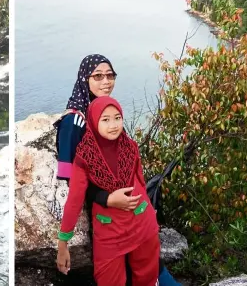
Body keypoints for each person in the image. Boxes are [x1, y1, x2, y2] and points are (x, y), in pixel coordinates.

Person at [54, 54, 180, 285]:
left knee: (150, 271)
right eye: (98, 76)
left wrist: (146, 210)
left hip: (135, 219)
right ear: (85, 78)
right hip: (106, 218)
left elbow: (137, 177)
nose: (106, 81)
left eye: (110, 75)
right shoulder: (76, 123)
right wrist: (107, 199)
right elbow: (71, 183)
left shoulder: (109, 118)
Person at [57, 97, 160, 286]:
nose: (113, 125)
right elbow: (75, 199)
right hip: (110, 231)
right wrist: (63, 242)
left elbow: (141, 182)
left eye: (117, 118)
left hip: (142, 224)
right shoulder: (85, 157)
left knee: (147, 278)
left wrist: (149, 211)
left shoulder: (130, 146)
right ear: (94, 121)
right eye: (105, 119)